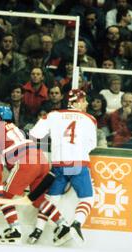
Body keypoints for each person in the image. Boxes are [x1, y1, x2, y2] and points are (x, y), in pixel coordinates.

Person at [0, 105, 71, 245]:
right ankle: (62, 225)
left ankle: (15, 230)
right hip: (40, 158)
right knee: (38, 199)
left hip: (25, 161)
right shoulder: (16, 128)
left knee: (3, 196)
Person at [30, 89, 97, 243]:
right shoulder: (89, 118)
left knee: (50, 200)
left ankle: (37, 231)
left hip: (58, 164)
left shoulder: (53, 115)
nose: (86, 103)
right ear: (77, 102)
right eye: (84, 100)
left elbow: (35, 134)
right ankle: (76, 223)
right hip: (78, 164)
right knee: (88, 198)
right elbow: (91, 145)